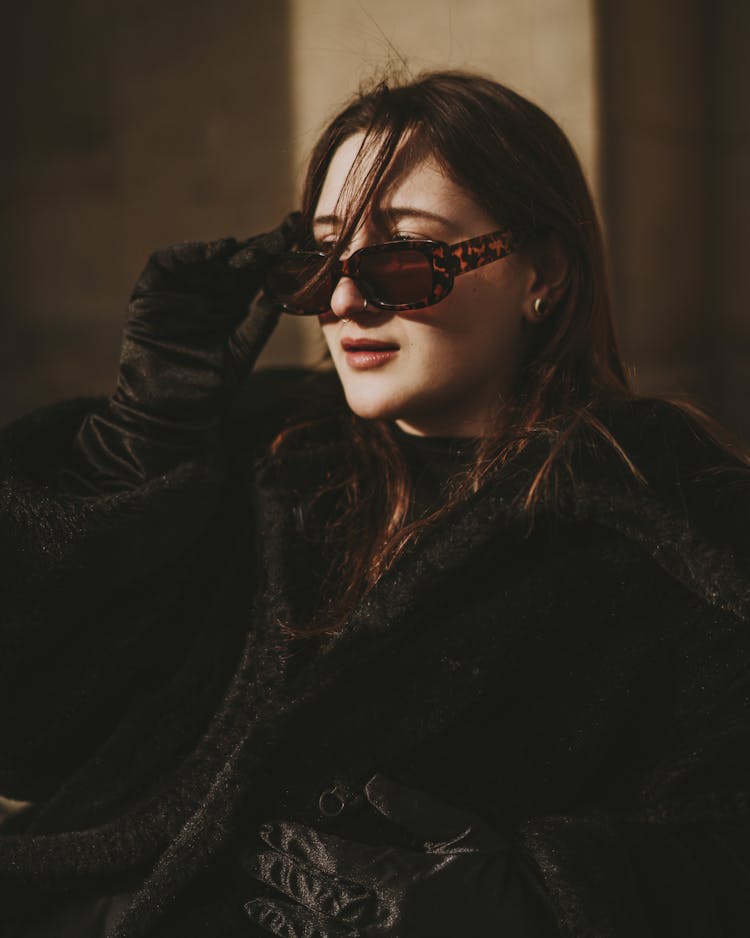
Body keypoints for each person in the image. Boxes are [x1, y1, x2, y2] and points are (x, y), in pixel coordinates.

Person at [1, 69, 750, 938]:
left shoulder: (676, 526)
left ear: (543, 274)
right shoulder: (265, 460)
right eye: (317, 261)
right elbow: (36, 722)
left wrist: (543, 899)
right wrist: (138, 445)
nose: (345, 301)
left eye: (402, 258)